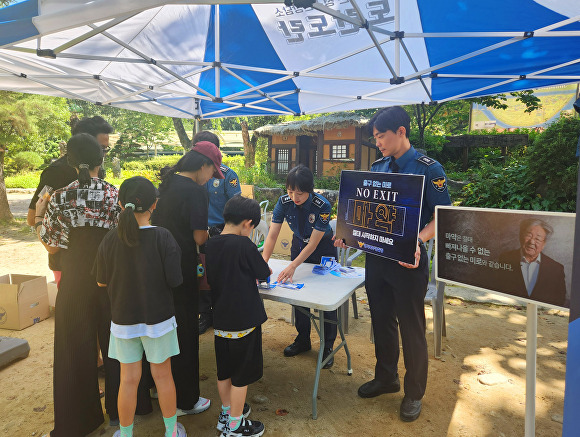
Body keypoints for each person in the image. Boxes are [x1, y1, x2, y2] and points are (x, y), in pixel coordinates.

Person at [336, 106, 451, 422]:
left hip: (408, 262)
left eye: (381, 136)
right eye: (374, 137)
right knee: (382, 319)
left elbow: (442, 216)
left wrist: (419, 239)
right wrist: (348, 233)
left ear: (401, 132)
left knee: (412, 326)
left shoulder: (428, 169)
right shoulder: (378, 166)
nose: (378, 143)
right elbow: (364, 209)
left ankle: (414, 392)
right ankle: (387, 377)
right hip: (377, 258)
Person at [34, 133, 121, 436]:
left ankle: (78, 420)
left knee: (74, 351)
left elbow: (52, 247)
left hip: (74, 283)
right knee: (117, 347)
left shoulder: (58, 197)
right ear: (102, 159)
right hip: (110, 282)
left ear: (70, 161)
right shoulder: (114, 195)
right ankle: (120, 410)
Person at [94, 176, 186, 437]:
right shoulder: (163, 237)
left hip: (123, 321)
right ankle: (171, 431)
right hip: (159, 321)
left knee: (128, 379)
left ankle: (125, 433)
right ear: (154, 205)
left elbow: (101, 282)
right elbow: (175, 280)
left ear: (121, 204)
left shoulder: (110, 240)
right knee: (163, 377)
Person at [151, 141, 223, 416]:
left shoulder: (166, 182)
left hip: (155, 263)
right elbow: (199, 237)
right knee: (184, 329)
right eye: (211, 173)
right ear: (202, 165)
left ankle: (159, 387)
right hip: (180, 266)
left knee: (161, 327)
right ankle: (185, 400)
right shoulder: (195, 192)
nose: (210, 179)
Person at [261, 164, 338, 369]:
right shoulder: (283, 202)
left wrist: (293, 266)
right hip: (298, 245)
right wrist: (263, 262)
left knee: (325, 297)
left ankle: (328, 346)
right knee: (298, 295)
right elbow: (272, 234)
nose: (294, 197)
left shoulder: (322, 205)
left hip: (323, 250)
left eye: (300, 193)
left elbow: (313, 243)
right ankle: (302, 339)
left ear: (310, 190)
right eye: (290, 191)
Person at [206, 195, 270, 437]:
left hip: (221, 319)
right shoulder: (245, 245)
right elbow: (263, 272)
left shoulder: (211, 244)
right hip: (244, 322)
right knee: (241, 377)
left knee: (225, 371)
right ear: (247, 223)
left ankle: (225, 415)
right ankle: (235, 425)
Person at [27, 115, 114, 286]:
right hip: (67, 264)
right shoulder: (56, 172)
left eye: (106, 149)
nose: (103, 155)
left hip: (102, 266)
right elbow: (32, 216)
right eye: (102, 149)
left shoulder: (97, 171)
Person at [195, 130, 241, 335]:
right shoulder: (191, 175)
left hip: (222, 232)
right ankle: (205, 313)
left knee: (222, 274)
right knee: (202, 273)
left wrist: (226, 230)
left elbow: (236, 206)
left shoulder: (227, 175)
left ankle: (222, 311)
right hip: (198, 232)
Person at [498, 218, 567, 307]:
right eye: (529, 235)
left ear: (544, 244)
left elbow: (559, 299)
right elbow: (499, 287)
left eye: (538, 239)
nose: (532, 242)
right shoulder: (505, 258)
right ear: (521, 236)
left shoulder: (556, 268)